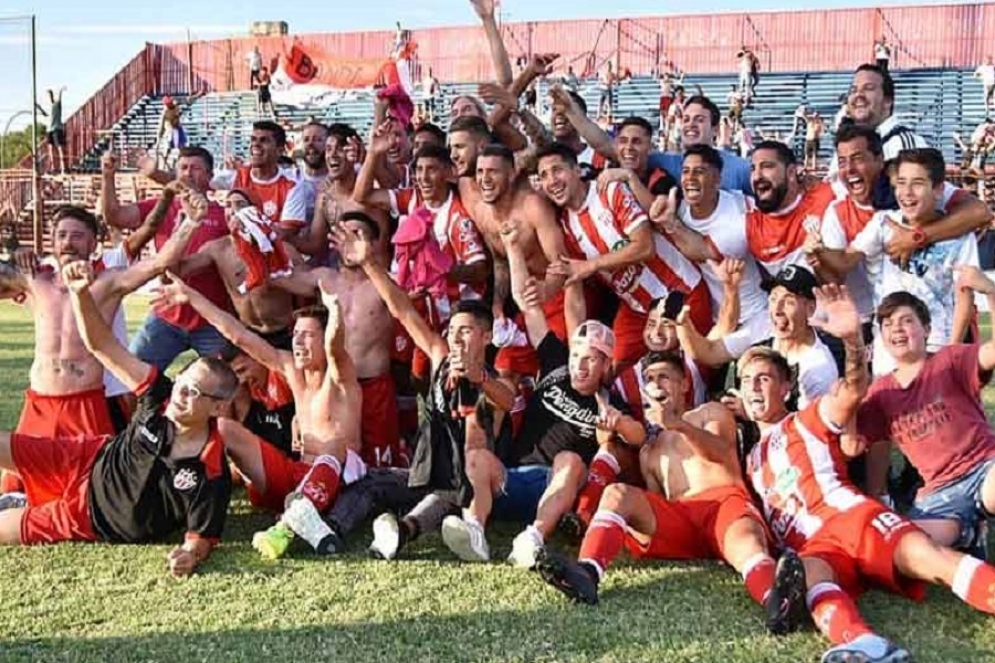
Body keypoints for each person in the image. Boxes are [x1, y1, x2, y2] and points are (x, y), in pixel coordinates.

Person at [740, 285, 995, 663]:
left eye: (764, 378)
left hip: (853, 519)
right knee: (809, 576)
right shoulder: (749, 461)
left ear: (786, 387)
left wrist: (852, 342)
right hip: (815, 545)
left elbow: (852, 390)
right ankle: (865, 644)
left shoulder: (807, 420)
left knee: (929, 559)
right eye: (745, 380)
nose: (753, 387)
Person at [534, 348, 806, 635]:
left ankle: (778, 604)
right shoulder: (649, 449)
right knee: (617, 494)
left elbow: (720, 452)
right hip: (682, 520)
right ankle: (587, 572)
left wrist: (677, 424)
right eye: (650, 378)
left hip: (724, 503)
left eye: (665, 377)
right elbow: (656, 511)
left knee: (747, 542)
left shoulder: (710, 413)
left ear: (685, 384)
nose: (656, 384)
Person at [0, 260, 236, 579]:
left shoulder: (212, 470)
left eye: (194, 392)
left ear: (218, 408)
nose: (180, 393)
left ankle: (20, 504)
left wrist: (189, 556)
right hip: (87, 458)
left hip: (91, 515)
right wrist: (81, 294)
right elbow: (101, 345)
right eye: (182, 381)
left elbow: (201, 536)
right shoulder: (159, 394)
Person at [153, 273, 365, 560]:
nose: (298, 342)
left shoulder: (340, 376)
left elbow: (334, 347)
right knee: (225, 428)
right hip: (294, 481)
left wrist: (335, 309)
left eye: (308, 335)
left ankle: (287, 528)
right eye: (296, 335)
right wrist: (191, 297)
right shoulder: (291, 368)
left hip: (339, 485)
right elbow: (239, 335)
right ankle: (189, 497)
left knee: (334, 445)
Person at [339, 221, 516, 562]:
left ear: (486, 338)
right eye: (452, 331)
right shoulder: (439, 356)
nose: (456, 338)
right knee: (371, 479)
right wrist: (368, 263)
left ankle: (466, 534)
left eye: (466, 331)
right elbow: (402, 309)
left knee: (467, 469)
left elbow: (506, 400)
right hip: (431, 473)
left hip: (482, 481)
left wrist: (480, 378)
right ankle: (355, 531)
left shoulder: (494, 379)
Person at [0, 203, 205, 494]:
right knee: (17, 488)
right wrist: (8, 244)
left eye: (77, 235)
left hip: (85, 401)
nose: (68, 242)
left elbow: (160, 262)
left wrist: (192, 221)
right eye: (61, 235)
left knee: (94, 490)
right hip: (40, 402)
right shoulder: (34, 278)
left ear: (94, 243)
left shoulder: (109, 281)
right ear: (52, 241)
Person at [535, 142, 711, 366]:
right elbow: (574, 296)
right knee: (607, 372)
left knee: (686, 375)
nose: (552, 181)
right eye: (543, 175)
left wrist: (590, 266)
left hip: (681, 292)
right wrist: (575, 350)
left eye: (557, 170)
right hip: (637, 311)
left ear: (577, 170)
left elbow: (645, 246)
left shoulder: (609, 191)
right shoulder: (566, 226)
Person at [813, 148, 979, 376]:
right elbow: (844, 261)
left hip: (937, 344)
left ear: (938, 189)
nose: (906, 192)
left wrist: (953, 349)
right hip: (888, 347)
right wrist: (817, 250)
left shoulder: (961, 236)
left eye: (918, 183)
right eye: (901, 183)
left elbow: (964, 297)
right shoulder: (883, 222)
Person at [859, 284, 995, 559]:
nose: (896, 328)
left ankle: (977, 517)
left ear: (927, 330)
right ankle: (968, 532)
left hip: (984, 468)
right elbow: (878, 450)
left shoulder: (950, 359)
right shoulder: (881, 392)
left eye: (907, 320)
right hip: (941, 492)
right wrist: (876, 499)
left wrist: (990, 292)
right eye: (887, 323)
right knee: (901, 547)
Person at [271, 212, 406, 469]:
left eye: (357, 234)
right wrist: (258, 239)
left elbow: (404, 307)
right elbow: (278, 279)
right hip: (333, 386)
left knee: (382, 464)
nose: (349, 241)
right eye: (343, 233)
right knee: (340, 459)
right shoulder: (324, 278)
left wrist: (368, 263)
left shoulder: (385, 282)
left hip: (374, 385)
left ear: (374, 243)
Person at [101, 147, 234, 372]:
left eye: (196, 168)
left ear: (210, 177)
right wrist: (108, 175)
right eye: (183, 167)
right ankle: (147, 408)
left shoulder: (224, 216)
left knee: (228, 383)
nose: (188, 173)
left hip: (212, 318)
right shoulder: (160, 206)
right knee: (132, 374)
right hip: (166, 316)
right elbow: (115, 217)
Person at [653, 144, 769, 350]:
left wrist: (671, 224)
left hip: (754, 318)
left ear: (717, 180)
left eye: (699, 172)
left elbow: (700, 249)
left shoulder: (740, 211)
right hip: (715, 319)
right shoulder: (678, 209)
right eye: (686, 171)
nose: (690, 178)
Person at [176, 189, 299, 350]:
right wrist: (184, 227)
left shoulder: (282, 249)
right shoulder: (218, 248)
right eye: (228, 205)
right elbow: (177, 270)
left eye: (240, 205)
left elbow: (310, 288)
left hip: (284, 333)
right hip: (246, 333)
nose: (233, 210)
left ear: (255, 210)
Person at [210, 121, 310, 233]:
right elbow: (202, 181)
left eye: (264, 140)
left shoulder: (292, 184)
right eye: (253, 139)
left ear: (280, 150)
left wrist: (249, 224)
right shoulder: (237, 175)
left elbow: (287, 232)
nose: (256, 144)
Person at [37, 87, 67, 174]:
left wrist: (61, 91)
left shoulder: (56, 104)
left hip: (57, 129)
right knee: (50, 148)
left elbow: (60, 100)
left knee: (59, 148)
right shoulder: (49, 107)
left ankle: (63, 168)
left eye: (50, 95)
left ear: (52, 96)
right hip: (50, 130)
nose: (49, 98)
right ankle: (54, 168)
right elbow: (44, 114)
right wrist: (38, 107)